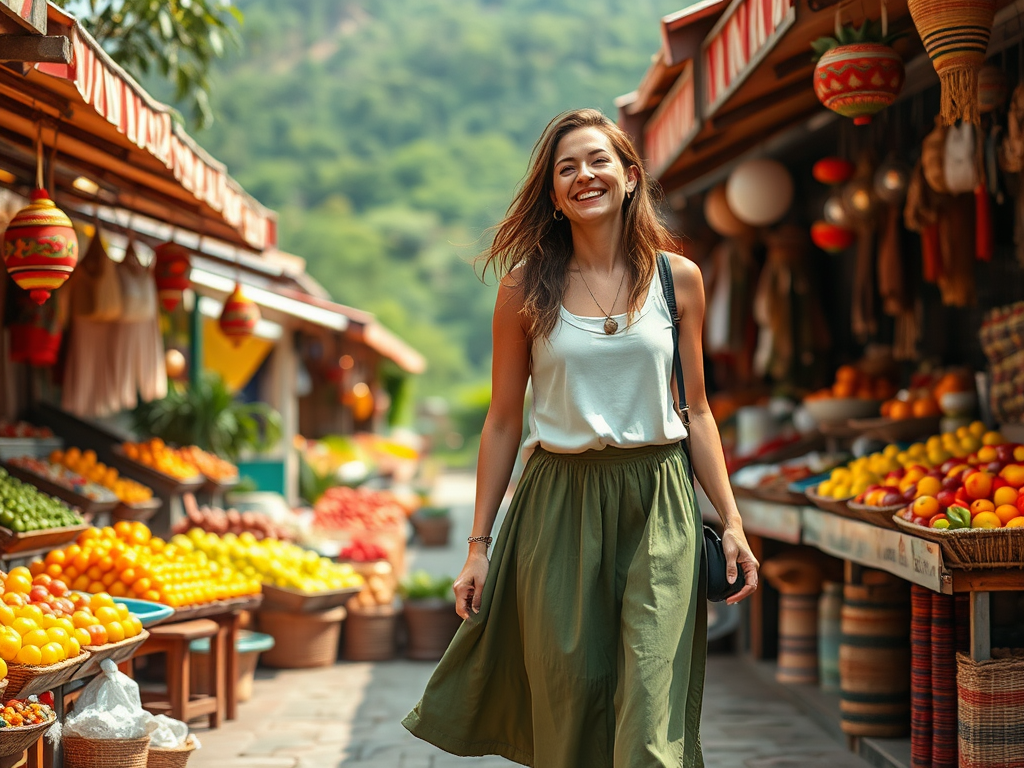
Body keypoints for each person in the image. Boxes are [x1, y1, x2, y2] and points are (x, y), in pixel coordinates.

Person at [403, 108, 759, 768]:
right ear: (554, 194)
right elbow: (503, 421)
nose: (583, 175)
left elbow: (698, 411)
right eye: (566, 168)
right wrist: (478, 546)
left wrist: (731, 521)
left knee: (653, 712)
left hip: (658, 500)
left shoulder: (679, 279)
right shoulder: (523, 288)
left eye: (598, 161)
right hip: (559, 503)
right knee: (570, 707)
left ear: (629, 178)